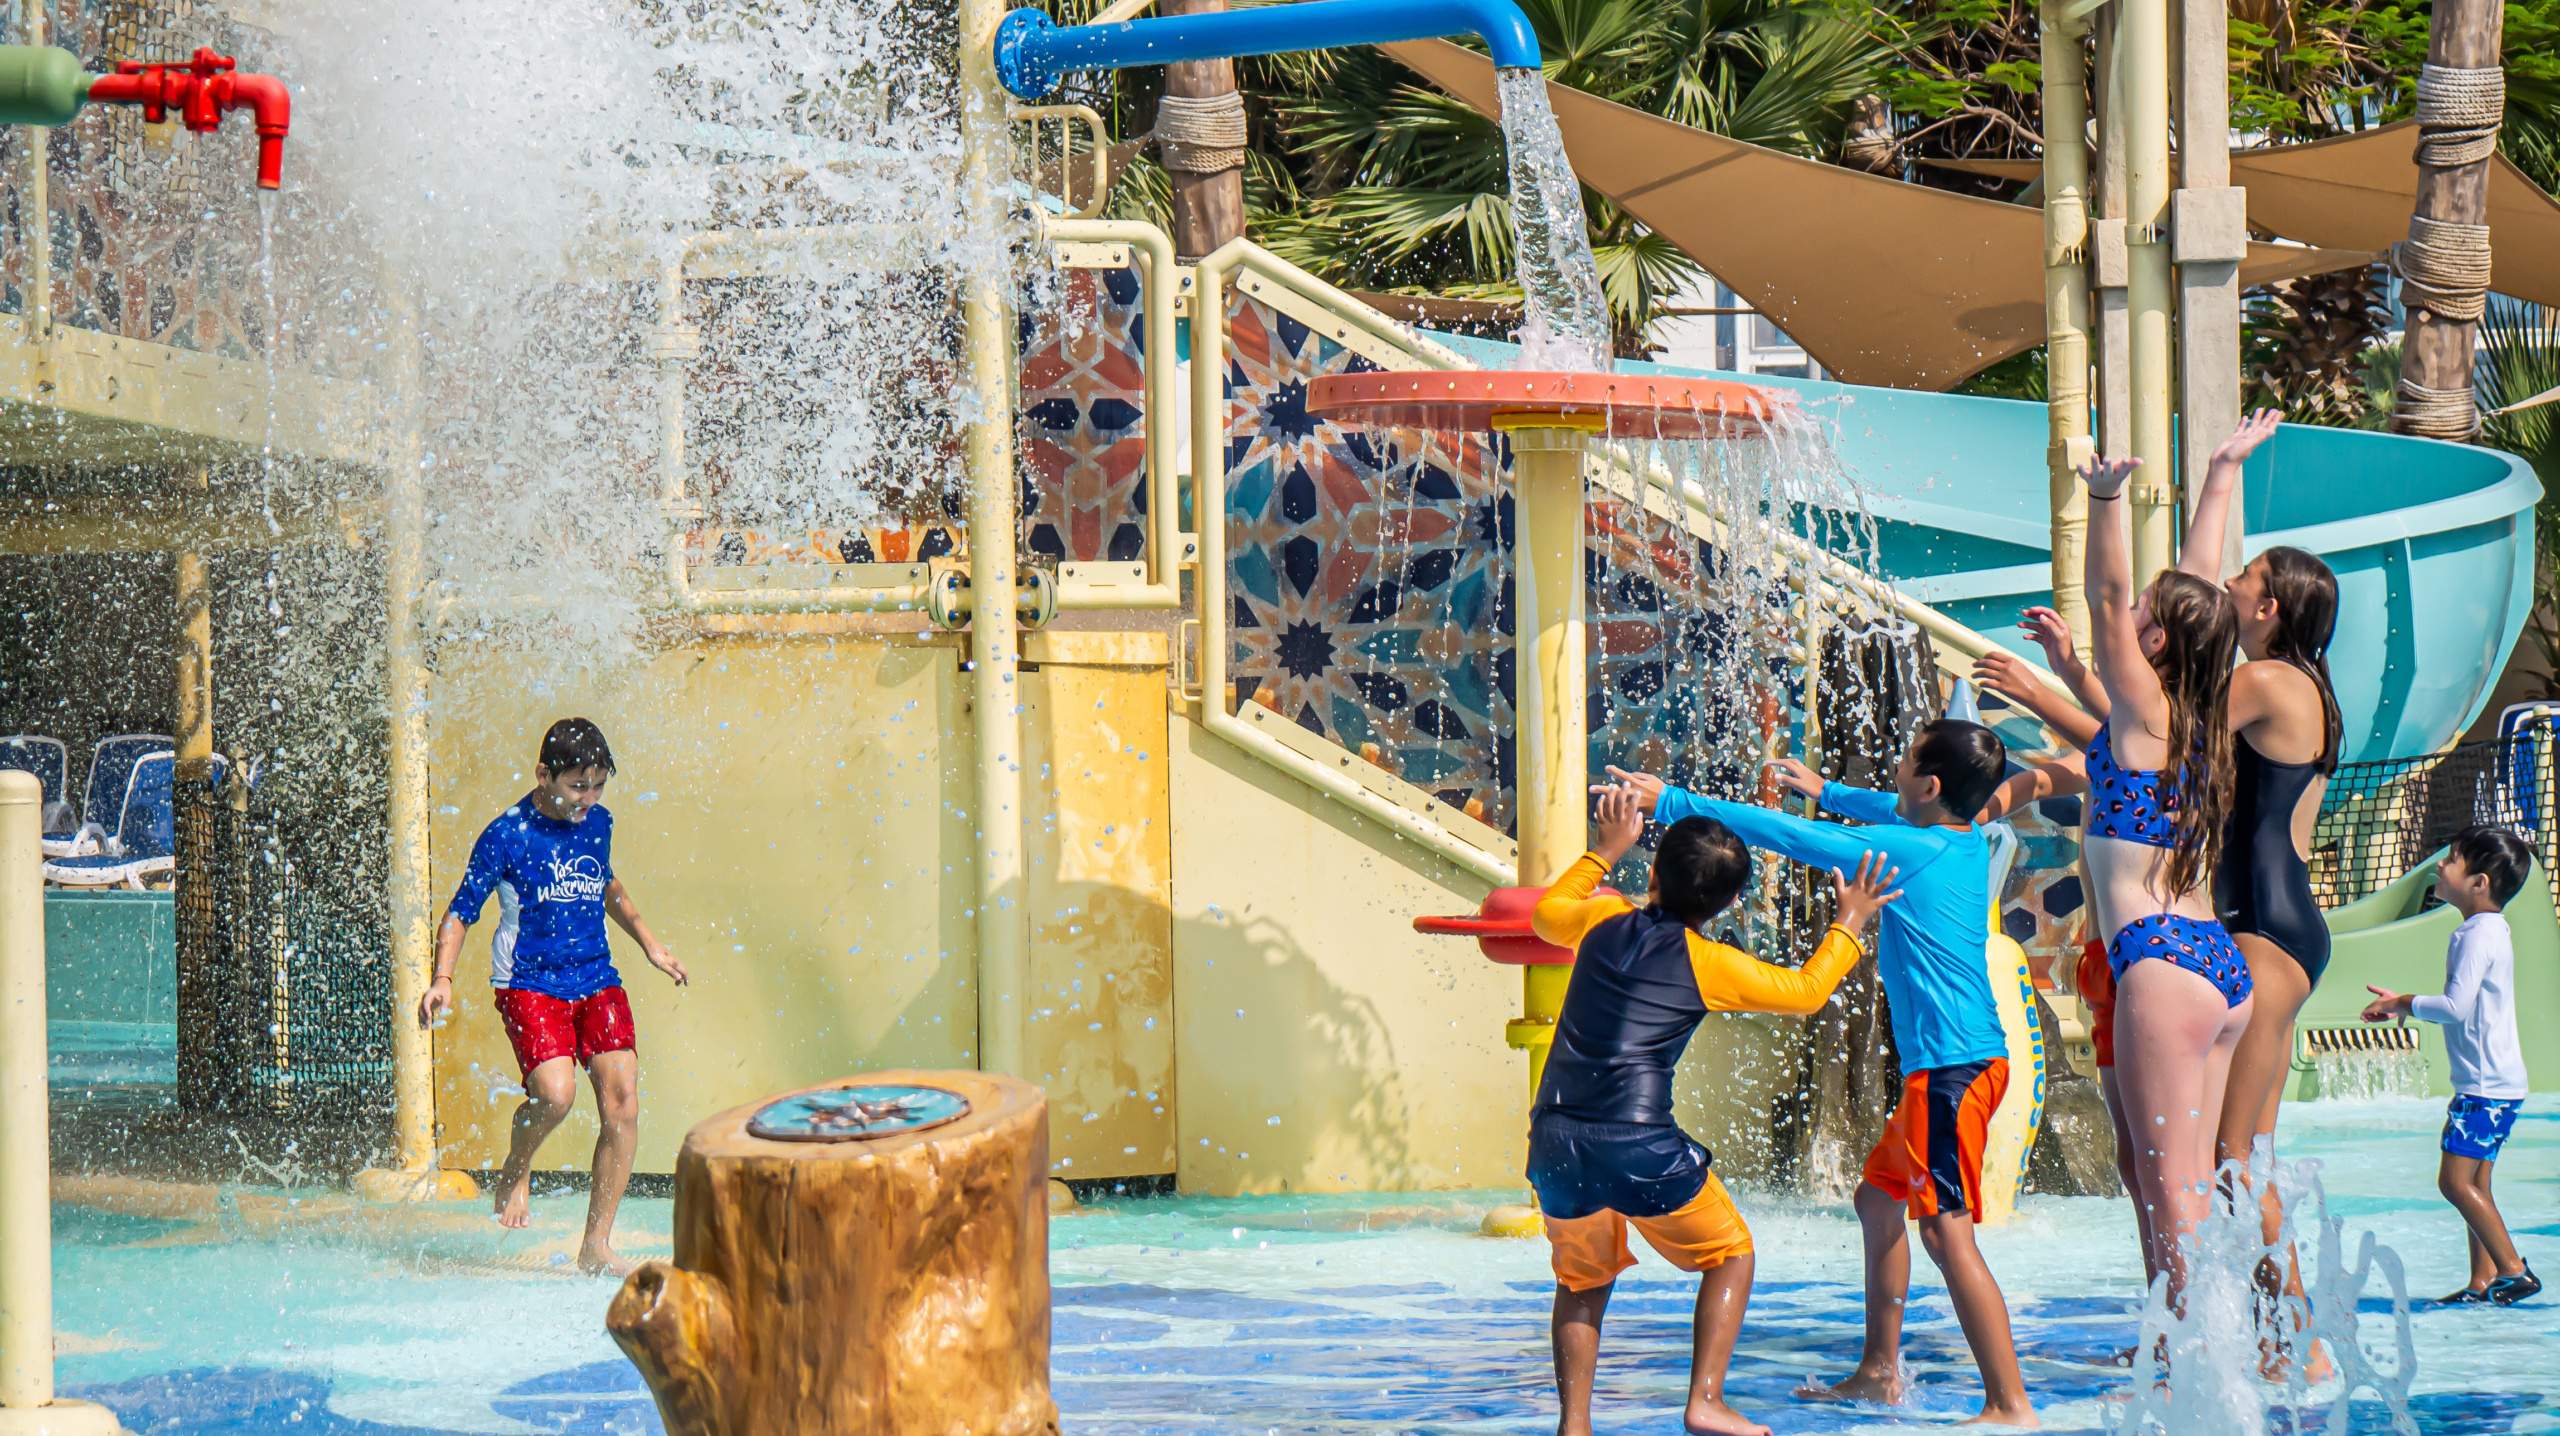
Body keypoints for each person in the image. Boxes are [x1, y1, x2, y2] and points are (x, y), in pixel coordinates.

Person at [1599, 719, 2038, 1428]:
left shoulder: (1905, 848)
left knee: (1946, 1233)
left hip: (1952, 1073)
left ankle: (2010, 1406)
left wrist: (1673, 801)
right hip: (1957, 1065)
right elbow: (1892, 810)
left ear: (1929, 785)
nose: (1893, 767)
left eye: (1905, 757)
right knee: (1876, 1202)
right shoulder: (1958, 838)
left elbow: (1787, 837)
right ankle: (1878, 1371)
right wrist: (1828, 789)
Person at [1529, 786, 1902, 1436]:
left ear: (1651, 872)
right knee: (1731, 1253)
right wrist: (1850, 922)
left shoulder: (1601, 919)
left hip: (1555, 1140)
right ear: (1731, 901)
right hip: (1639, 1144)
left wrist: (1603, 850)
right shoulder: (1711, 962)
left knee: (1582, 1281)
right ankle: (1706, 1399)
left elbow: (1546, 916)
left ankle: (1576, 1425)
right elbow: (1809, 992)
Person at [1972, 450, 2250, 1313]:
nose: (2126, 618)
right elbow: (2195, 594)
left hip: (2161, 967)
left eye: (2142, 619)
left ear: (2156, 643)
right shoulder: (2195, 723)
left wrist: (2104, 499)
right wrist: (2218, 480)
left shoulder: (2149, 713)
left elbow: (2104, 599)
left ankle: (2195, 1355)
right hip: (2214, 966)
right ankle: (2189, 1341)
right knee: (2159, 1172)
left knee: (2172, 1187)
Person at [418, 717, 689, 1275]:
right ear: (543, 775)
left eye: (597, 787)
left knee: (623, 1101)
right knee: (556, 1096)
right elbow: (461, 911)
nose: (588, 799)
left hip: (595, 975)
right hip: (529, 983)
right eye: (576, 786)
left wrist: (651, 945)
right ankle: (517, 1166)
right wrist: (443, 978)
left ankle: (597, 1245)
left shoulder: (597, 823)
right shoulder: (507, 834)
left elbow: (606, 883)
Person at [2363, 825, 2539, 1306]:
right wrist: (2404, 1004)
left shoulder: (2475, 935)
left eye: (2452, 859)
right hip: (2497, 1084)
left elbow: (2455, 1007)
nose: (2439, 865)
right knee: (2477, 1181)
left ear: (2479, 882)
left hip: (2485, 1087)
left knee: (2454, 1181)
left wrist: (2404, 1001)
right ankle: (2482, 1281)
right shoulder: (2488, 930)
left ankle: (2513, 1269)